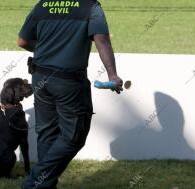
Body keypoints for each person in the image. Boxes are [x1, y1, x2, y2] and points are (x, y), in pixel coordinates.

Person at [17, 0, 123, 188]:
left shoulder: (43, 5)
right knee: (74, 136)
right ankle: (34, 182)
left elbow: (22, 41)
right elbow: (102, 40)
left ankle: (42, 185)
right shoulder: (91, 7)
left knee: (47, 133)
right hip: (69, 82)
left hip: (40, 77)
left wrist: (45, 50)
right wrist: (112, 75)